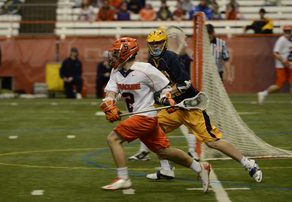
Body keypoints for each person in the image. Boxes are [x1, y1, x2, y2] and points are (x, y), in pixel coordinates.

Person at [129, 29, 262, 184]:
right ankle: (166, 169)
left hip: (189, 106)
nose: (155, 46)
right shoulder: (152, 61)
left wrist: (167, 94)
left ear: (165, 43)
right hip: (174, 108)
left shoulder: (172, 58)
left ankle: (248, 163)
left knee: (212, 142)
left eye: (158, 43)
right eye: (152, 44)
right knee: (150, 129)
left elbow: (185, 84)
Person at [100, 37, 211, 192]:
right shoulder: (116, 71)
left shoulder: (145, 69)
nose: (113, 56)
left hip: (146, 118)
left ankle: (123, 177)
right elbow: (111, 92)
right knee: (164, 152)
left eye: (117, 53)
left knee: (113, 139)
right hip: (138, 118)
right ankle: (201, 168)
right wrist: (110, 105)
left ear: (127, 53)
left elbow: (165, 87)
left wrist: (168, 99)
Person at [258, 25, 292, 105]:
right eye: (286, 31)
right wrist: (284, 61)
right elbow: (275, 53)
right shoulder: (281, 40)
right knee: (279, 85)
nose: (287, 32)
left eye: (289, 31)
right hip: (281, 66)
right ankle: (263, 94)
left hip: (290, 66)